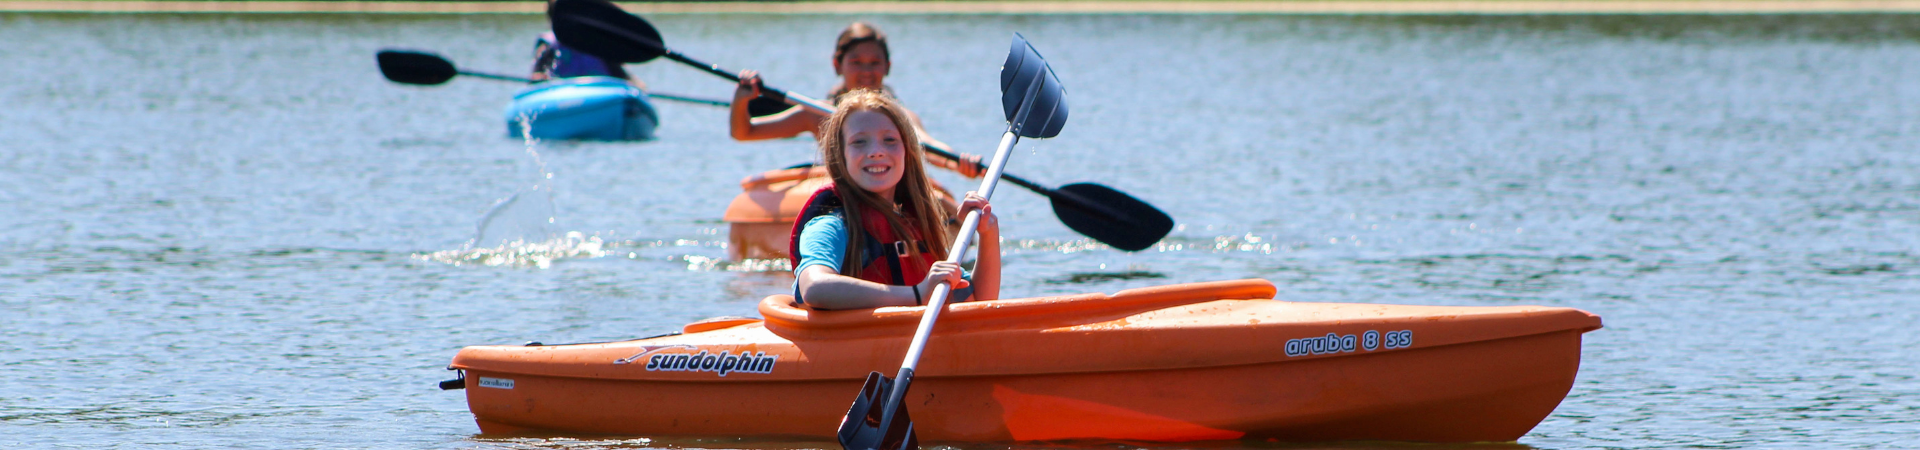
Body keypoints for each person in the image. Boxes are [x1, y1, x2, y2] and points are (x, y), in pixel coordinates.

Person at [788, 90, 1000, 310]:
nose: (877, 151)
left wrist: (987, 234)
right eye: (859, 142)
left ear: (907, 152)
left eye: (889, 140)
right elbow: (814, 287)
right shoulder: (830, 226)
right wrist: (917, 294)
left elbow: (981, 301)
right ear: (840, 155)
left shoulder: (913, 227)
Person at [729, 22, 982, 178]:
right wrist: (741, 100)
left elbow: (928, 146)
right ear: (837, 65)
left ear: (887, 67)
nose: (866, 72)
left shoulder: (900, 116)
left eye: (874, 63)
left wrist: (959, 163)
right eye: (856, 62)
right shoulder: (817, 113)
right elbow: (745, 132)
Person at [528, 31, 645, 89]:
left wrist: (636, 84)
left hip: (601, 95)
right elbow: (535, 77)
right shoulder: (549, 45)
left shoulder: (599, 45)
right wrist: (540, 78)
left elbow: (622, 76)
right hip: (559, 96)